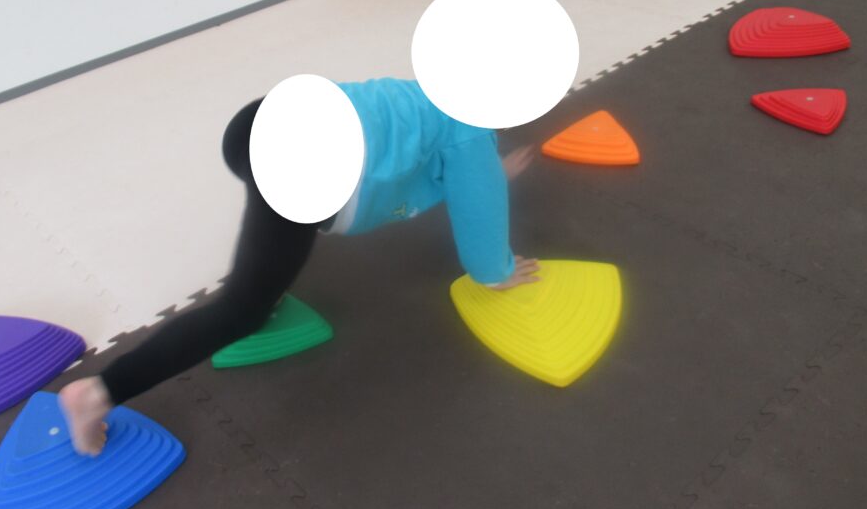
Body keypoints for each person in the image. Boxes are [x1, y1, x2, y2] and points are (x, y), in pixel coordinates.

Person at [59, 77, 541, 456]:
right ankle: (97, 394)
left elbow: (420, 150)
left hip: (256, 121)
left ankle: (263, 276)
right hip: (299, 159)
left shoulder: (432, 91)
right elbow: (479, 215)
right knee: (242, 310)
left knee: (281, 236)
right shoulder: (471, 136)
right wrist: (495, 272)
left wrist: (485, 172)